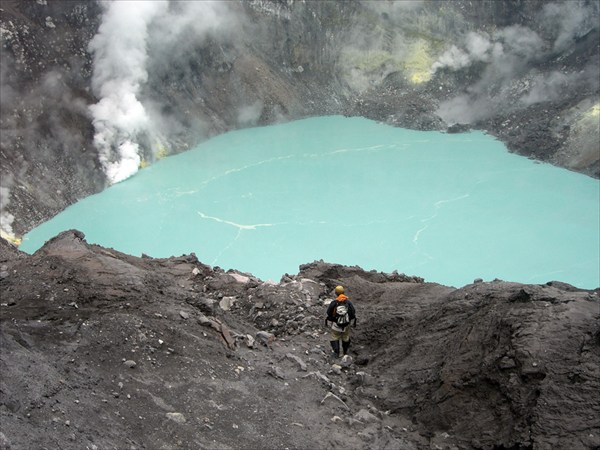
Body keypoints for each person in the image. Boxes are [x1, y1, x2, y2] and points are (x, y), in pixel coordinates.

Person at [325, 285, 356, 357]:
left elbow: (328, 313)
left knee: (334, 337)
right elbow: (353, 312)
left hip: (336, 325)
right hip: (346, 325)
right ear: (343, 292)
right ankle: (345, 352)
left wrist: (334, 318)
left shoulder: (334, 303)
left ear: (336, 293)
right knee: (345, 337)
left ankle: (336, 353)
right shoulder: (348, 303)